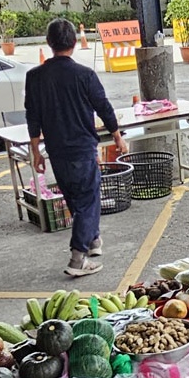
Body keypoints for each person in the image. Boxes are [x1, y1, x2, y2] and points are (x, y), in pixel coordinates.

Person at [25, 18, 127, 277]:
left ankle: (93, 241)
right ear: (73, 43)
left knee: (74, 197)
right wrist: (117, 136)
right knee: (87, 201)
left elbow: (32, 116)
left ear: (49, 43)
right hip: (82, 149)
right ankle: (78, 258)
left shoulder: (35, 77)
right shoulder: (84, 75)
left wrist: (36, 151)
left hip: (56, 150)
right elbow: (103, 107)